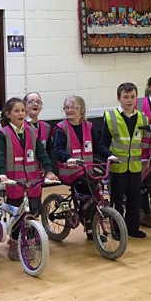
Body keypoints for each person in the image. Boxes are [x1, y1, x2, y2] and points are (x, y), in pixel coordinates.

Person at [0, 97, 58, 260]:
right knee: (16, 214)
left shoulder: (32, 131)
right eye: (17, 111)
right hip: (14, 181)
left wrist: (49, 171)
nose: (21, 113)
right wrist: (1, 173)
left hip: (32, 180)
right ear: (8, 114)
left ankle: (30, 240)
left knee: (33, 211)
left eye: (23, 110)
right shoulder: (3, 134)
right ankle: (15, 243)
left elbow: (42, 153)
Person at [53, 95, 116, 239]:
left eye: (73, 107)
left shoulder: (89, 126)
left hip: (86, 169)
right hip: (70, 170)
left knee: (94, 192)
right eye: (67, 108)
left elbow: (99, 146)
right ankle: (88, 222)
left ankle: (89, 224)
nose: (69, 110)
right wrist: (68, 158)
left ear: (81, 110)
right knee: (94, 188)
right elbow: (58, 149)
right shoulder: (61, 128)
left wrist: (109, 155)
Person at [102, 82, 148, 239]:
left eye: (133, 97)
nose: (130, 100)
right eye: (126, 97)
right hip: (117, 167)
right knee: (117, 200)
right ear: (118, 98)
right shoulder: (110, 117)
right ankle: (117, 229)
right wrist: (108, 156)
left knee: (134, 199)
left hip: (135, 166)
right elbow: (104, 143)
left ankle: (133, 227)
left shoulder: (142, 118)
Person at [24, 92, 52, 159]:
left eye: (38, 102)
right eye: (31, 101)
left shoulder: (46, 127)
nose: (35, 104)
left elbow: (48, 152)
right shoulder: (19, 126)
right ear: (24, 106)